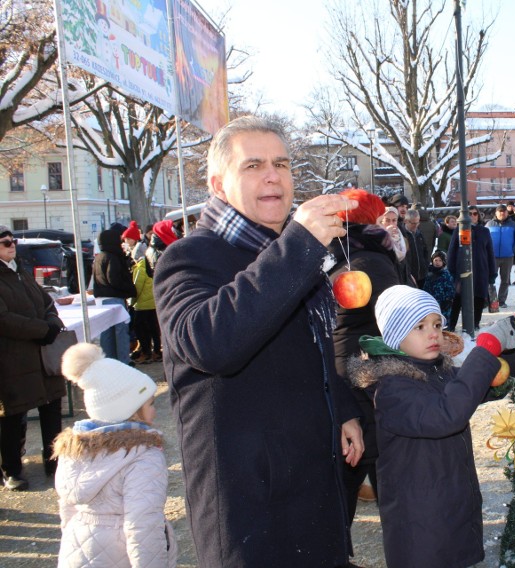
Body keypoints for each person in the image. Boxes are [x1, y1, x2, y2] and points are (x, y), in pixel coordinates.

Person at [153, 115, 364, 567]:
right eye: (253, 166)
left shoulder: (288, 250)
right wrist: (297, 246)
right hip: (250, 495)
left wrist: (342, 408)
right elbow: (211, 342)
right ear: (218, 184)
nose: (273, 175)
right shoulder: (188, 256)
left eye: (282, 163)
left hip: (312, 475)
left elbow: (313, 341)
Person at [347, 285, 515, 568]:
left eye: (436, 324)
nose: (433, 333)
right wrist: (484, 352)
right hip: (420, 520)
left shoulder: (436, 371)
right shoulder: (392, 389)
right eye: (419, 326)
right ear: (394, 337)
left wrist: (507, 349)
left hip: (450, 505)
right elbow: (447, 414)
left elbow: (480, 388)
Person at [54, 342, 176, 567]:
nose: (154, 410)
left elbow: (67, 507)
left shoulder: (73, 450)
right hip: (121, 557)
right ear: (131, 410)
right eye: (149, 404)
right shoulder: (142, 455)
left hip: (77, 551)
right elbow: (143, 524)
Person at [328, 188, 402, 529]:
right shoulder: (370, 257)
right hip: (364, 370)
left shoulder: (339, 256)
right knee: (370, 462)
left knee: (349, 465)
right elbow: (395, 320)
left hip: (346, 367)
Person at [0, 225, 66, 491]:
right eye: (5, 242)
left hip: (41, 357)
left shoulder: (19, 271)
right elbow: (3, 319)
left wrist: (51, 323)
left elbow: (47, 302)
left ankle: (55, 462)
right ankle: (12, 469)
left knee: (51, 408)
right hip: (12, 359)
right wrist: (41, 330)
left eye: (12, 240)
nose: (11, 244)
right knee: (12, 415)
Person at [446, 206, 497, 331]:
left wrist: (492, 273)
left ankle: (475, 323)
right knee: (458, 297)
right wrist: (451, 269)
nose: (473, 216)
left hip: (481, 269)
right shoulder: (459, 229)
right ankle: (452, 324)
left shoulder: (484, 231)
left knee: (479, 297)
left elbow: (490, 253)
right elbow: (452, 251)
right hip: (462, 269)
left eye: (475, 214)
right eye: (470, 213)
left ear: (478, 216)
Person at [92, 226, 135, 363]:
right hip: (114, 299)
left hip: (101, 300)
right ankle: (123, 363)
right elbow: (114, 279)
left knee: (106, 334)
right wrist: (130, 290)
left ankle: (109, 363)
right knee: (120, 333)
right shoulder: (112, 257)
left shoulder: (99, 257)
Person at [486, 204, 515, 309]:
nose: (502, 213)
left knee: (505, 280)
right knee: (490, 279)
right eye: (500, 211)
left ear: (507, 213)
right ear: (496, 213)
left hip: (507, 257)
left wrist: (513, 250)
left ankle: (501, 301)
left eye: (504, 211)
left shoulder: (513, 224)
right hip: (492, 257)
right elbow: (484, 239)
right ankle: (492, 300)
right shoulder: (489, 224)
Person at [377, 207, 410, 285]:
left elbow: (406, 259)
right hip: (387, 279)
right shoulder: (376, 237)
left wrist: (409, 276)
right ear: (381, 222)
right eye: (387, 220)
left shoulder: (401, 235)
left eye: (394, 220)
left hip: (402, 278)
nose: (391, 224)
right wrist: (386, 236)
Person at [423, 250, 454, 323]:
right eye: (435, 260)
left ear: (443, 262)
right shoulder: (429, 274)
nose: (437, 262)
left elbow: (450, 289)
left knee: (443, 321)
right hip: (431, 304)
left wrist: (448, 300)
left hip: (443, 304)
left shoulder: (446, 275)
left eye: (440, 260)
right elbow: (425, 288)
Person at [403, 209, 430, 288]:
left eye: (417, 222)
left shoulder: (419, 233)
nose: (416, 225)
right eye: (413, 223)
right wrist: (407, 272)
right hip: (409, 275)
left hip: (422, 274)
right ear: (406, 221)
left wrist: (425, 265)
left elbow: (425, 250)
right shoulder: (403, 235)